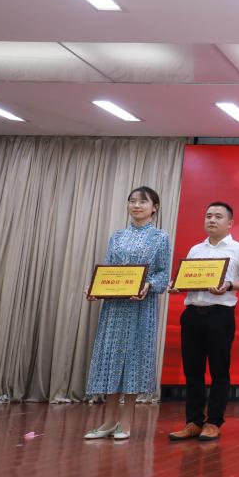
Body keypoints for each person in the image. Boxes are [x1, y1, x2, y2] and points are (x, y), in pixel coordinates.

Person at [84, 186, 171, 441]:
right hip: (114, 307)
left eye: (143, 202)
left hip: (141, 307)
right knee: (110, 359)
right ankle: (108, 421)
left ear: (154, 208)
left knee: (134, 359)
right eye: (132, 201)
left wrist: (148, 285)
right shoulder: (117, 236)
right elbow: (109, 270)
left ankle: (126, 422)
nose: (136, 206)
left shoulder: (160, 237)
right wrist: (95, 288)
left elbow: (163, 273)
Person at [167, 202, 239, 442]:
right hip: (192, 314)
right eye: (208, 216)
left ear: (230, 223)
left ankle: (214, 422)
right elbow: (187, 279)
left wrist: (229, 285)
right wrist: (176, 286)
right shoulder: (196, 250)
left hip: (220, 315)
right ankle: (193, 422)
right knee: (192, 370)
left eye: (218, 216)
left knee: (219, 370)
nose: (212, 220)